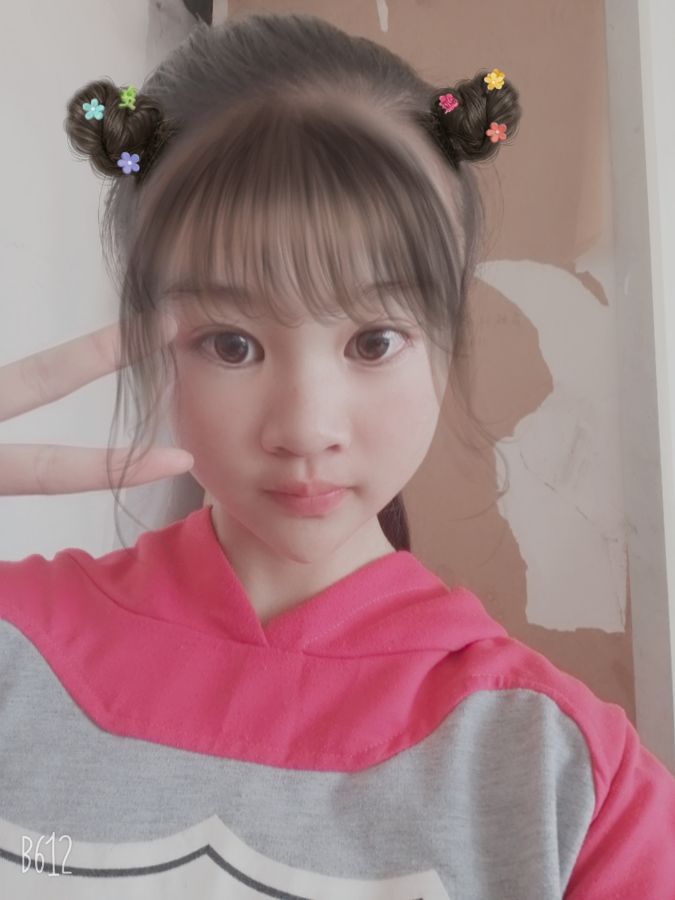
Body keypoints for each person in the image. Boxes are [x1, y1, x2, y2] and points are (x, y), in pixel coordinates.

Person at [0, 10, 673, 899]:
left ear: (446, 342)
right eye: (232, 344)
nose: (307, 427)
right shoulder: (16, 648)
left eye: (373, 340)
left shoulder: (568, 778)